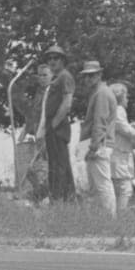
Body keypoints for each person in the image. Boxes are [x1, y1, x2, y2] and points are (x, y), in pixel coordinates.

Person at [77, 61, 117, 214]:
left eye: (91, 76)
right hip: (96, 142)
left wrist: (93, 147)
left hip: (99, 144)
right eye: (86, 76)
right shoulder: (98, 92)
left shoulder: (101, 93)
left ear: (100, 74)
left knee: (102, 184)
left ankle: (110, 218)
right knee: (95, 186)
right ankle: (101, 218)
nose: (88, 79)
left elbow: (100, 122)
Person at [10, 62, 52, 203]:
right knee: (33, 169)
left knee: (42, 169)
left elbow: (49, 117)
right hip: (37, 136)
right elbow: (33, 115)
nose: (42, 78)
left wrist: (45, 136)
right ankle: (35, 198)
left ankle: (42, 198)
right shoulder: (39, 93)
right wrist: (24, 133)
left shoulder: (52, 92)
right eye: (39, 75)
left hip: (49, 136)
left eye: (45, 75)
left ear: (52, 76)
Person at [109, 82, 135, 215]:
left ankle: (116, 216)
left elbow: (124, 130)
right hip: (119, 157)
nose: (127, 99)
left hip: (119, 156)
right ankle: (119, 217)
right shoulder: (118, 110)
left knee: (120, 189)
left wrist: (130, 127)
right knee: (124, 189)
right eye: (126, 96)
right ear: (120, 97)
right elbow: (129, 132)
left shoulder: (115, 111)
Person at [41, 45, 77, 202]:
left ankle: (59, 199)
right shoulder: (56, 78)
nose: (52, 61)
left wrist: (55, 123)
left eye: (56, 58)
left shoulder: (64, 76)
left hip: (58, 126)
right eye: (49, 58)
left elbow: (67, 102)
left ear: (63, 60)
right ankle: (67, 199)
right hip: (52, 126)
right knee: (57, 164)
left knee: (59, 165)